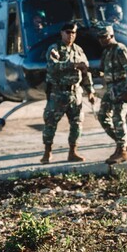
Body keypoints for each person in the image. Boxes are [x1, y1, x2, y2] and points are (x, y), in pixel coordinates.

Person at [41, 22, 94, 164]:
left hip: (75, 93)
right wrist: (73, 65)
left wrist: (90, 91)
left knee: (77, 123)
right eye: (68, 32)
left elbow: (85, 71)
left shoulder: (79, 50)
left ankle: (73, 152)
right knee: (50, 123)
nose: (71, 35)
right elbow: (52, 66)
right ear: (62, 33)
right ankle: (47, 152)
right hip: (58, 92)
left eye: (74, 33)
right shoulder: (55, 49)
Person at [96, 23, 127, 165]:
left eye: (104, 37)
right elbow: (101, 70)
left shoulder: (120, 49)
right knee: (102, 116)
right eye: (100, 37)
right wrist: (85, 69)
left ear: (112, 36)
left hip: (121, 88)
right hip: (111, 89)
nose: (102, 40)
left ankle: (122, 151)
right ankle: (122, 142)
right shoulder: (106, 52)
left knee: (118, 118)